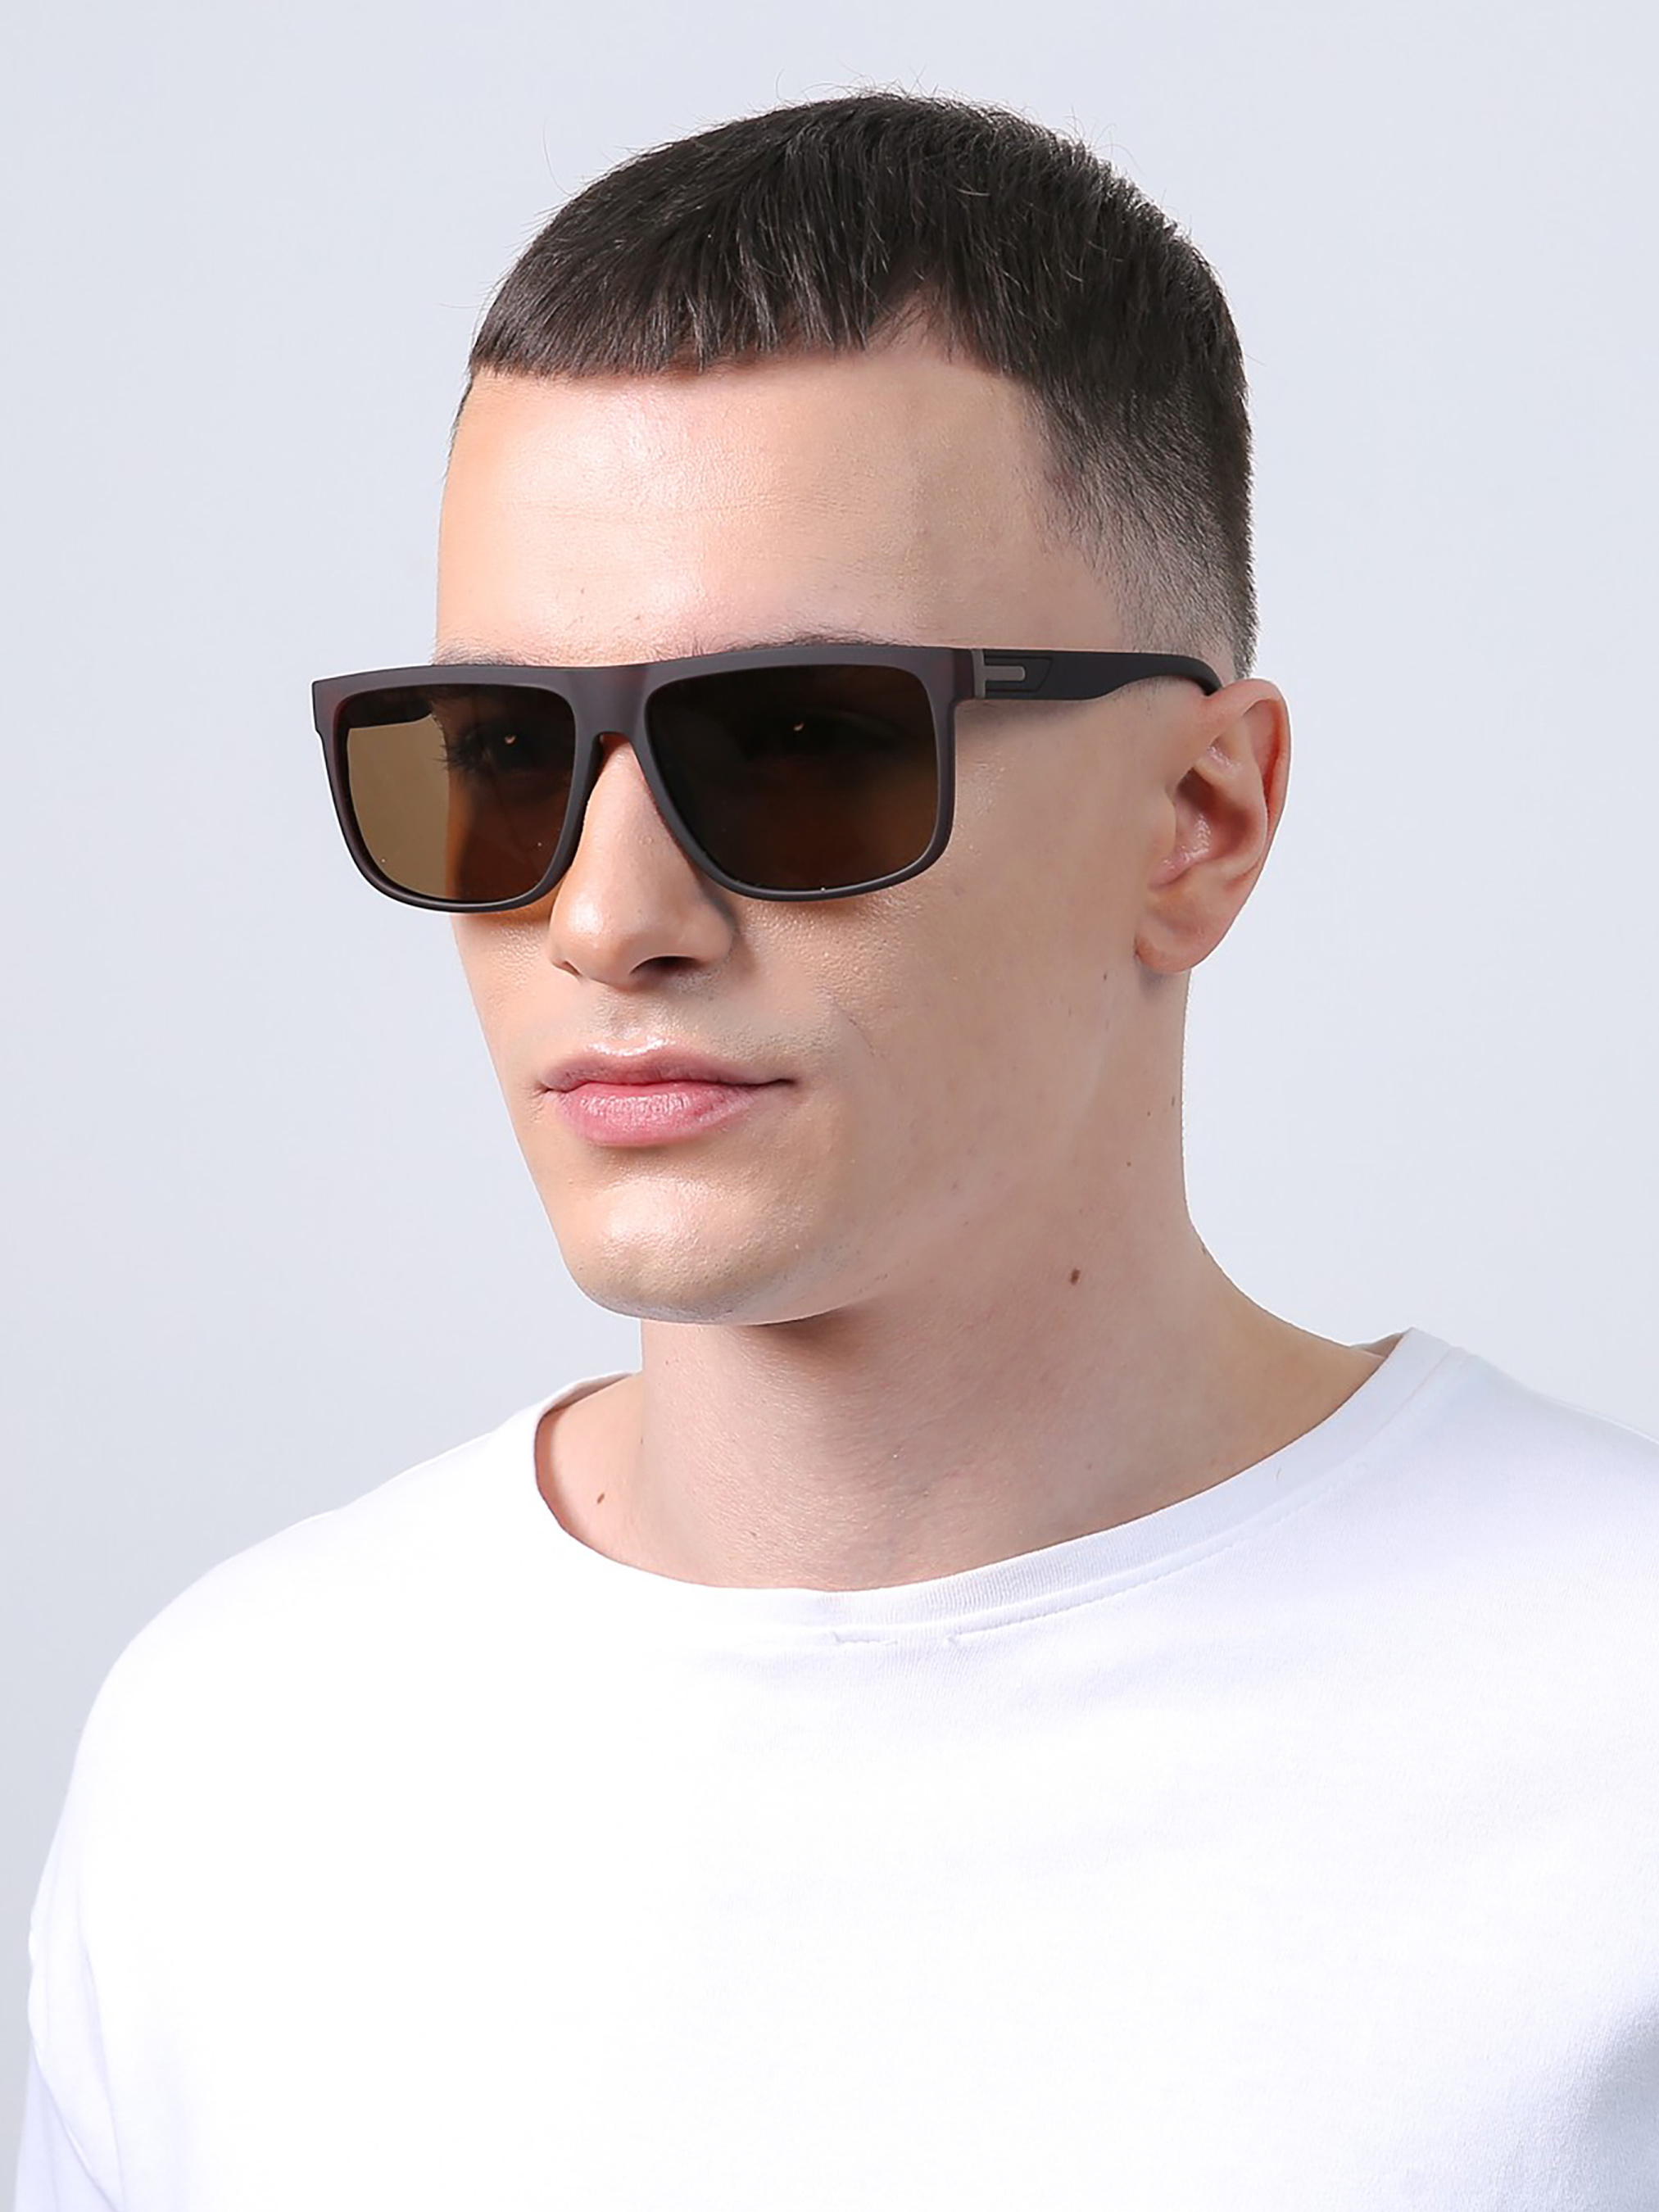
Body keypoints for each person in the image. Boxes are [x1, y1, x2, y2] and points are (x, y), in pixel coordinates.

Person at [16, 88, 1658, 2211]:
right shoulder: (237, 1760)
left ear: (1199, 819)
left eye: (801, 741)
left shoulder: (1611, 1729)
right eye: (499, 756)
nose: (606, 917)